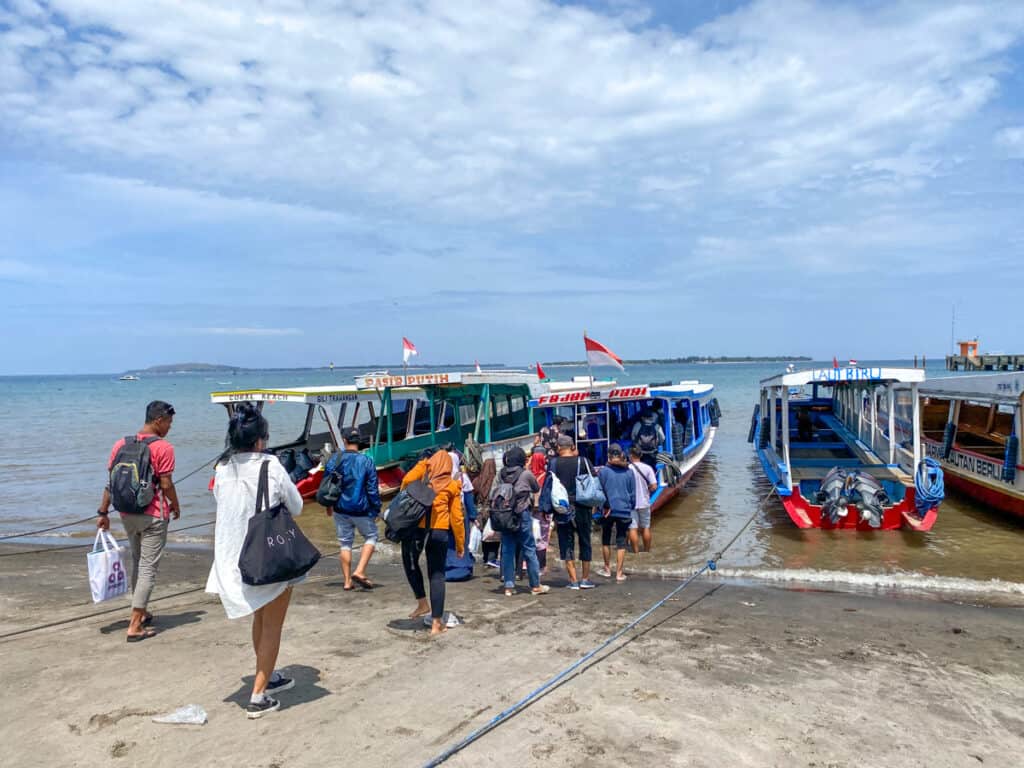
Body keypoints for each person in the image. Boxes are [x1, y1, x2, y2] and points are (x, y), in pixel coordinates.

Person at [205, 403, 304, 719]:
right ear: (261, 440)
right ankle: (259, 696)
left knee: (260, 620)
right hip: (268, 557)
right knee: (272, 626)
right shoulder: (271, 466)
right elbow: (298, 506)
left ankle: (269, 676)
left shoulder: (222, 470)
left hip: (234, 559)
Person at [96, 400, 179, 643]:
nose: (169, 428)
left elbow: (111, 483)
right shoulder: (164, 448)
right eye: (169, 422)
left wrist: (103, 513)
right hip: (153, 515)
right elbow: (166, 484)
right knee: (148, 568)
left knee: (138, 561)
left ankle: (141, 612)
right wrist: (176, 504)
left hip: (126, 514)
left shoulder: (120, 444)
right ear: (158, 420)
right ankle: (134, 625)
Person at [400, 449, 465, 635]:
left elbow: (405, 482)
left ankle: (422, 602)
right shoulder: (453, 486)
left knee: (410, 563)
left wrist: (424, 465)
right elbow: (457, 518)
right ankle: (437, 623)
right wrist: (460, 544)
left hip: (417, 529)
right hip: (440, 532)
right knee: (437, 575)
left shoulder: (423, 476)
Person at [323, 427, 381, 590]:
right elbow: (372, 489)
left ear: (345, 440)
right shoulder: (367, 461)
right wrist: (376, 508)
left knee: (345, 543)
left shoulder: (335, 459)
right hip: (361, 509)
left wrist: (328, 506)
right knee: (371, 536)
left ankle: (347, 581)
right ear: (359, 442)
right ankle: (360, 571)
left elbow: (327, 485)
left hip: (340, 509)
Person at [494, 446, 549, 597]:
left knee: (507, 550)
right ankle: (535, 586)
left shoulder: (501, 474)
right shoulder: (526, 474)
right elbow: (536, 488)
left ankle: (508, 586)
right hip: (522, 514)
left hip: (505, 516)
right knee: (529, 549)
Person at [549, 435, 597, 590]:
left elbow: (548, 488)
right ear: (572, 447)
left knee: (566, 542)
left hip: (562, 508)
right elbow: (595, 482)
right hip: (583, 506)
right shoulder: (583, 461)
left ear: (558, 449)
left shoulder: (553, 463)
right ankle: (585, 579)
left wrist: (546, 510)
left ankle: (573, 580)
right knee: (585, 541)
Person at [597, 443, 636, 583]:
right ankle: (619, 573)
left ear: (608, 455)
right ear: (621, 455)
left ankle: (607, 569)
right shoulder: (629, 471)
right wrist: (631, 506)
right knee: (621, 542)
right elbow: (633, 494)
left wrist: (600, 507)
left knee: (606, 539)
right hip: (624, 509)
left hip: (607, 509)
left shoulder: (603, 471)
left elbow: (599, 491)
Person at [628, 445, 658, 553]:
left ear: (631, 455)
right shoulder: (647, 468)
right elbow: (654, 486)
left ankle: (635, 553)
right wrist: (647, 491)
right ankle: (646, 551)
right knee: (646, 527)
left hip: (631, 503)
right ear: (640, 455)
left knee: (632, 528)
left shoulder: (627, 469)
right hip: (644, 502)